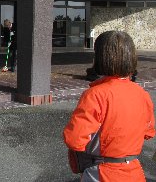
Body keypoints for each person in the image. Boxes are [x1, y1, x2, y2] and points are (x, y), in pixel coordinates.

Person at [63, 31, 155, 182]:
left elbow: (75, 139)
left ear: (100, 58)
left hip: (102, 172)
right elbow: (149, 132)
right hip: (134, 171)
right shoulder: (142, 94)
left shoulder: (95, 94)